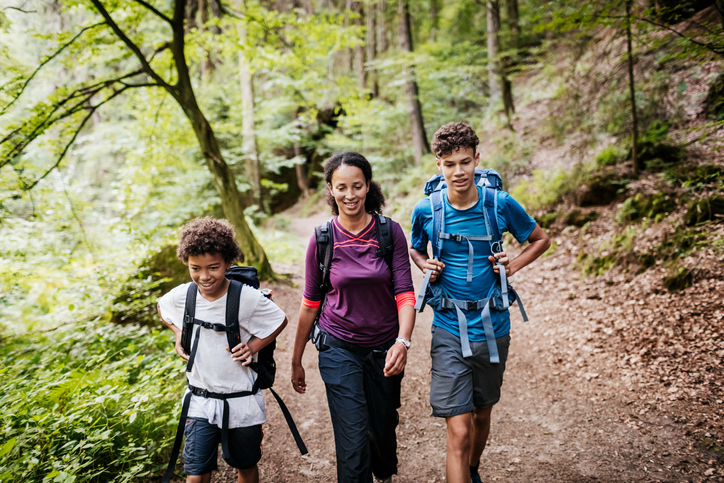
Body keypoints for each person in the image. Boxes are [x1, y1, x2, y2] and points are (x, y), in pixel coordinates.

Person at [409, 123, 551, 483]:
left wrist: (512, 264)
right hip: (448, 327)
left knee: (482, 416)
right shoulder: (427, 209)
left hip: (494, 325)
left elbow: (540, 239)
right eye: (450, 163)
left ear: (477, 159)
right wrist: (424, 263)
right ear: (438, 164)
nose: (459, 171)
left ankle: (472, 470)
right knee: (457, 431)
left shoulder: (499, 204)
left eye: (466, 162)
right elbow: (414, 246)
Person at [290, 152, 416, 483]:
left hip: (384, 350)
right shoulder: (322, 239)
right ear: (330, 190)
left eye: (357, 186)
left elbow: (404, 292)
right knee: (353, 441)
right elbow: (310, 303)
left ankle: (384, 472)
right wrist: (296, 359)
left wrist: (403, 340)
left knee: (382, 430)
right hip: (338, 348)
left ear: (368, 186)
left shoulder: (390, 233)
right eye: (341, 187)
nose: (350, 195)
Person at [157, 217, 288, 483]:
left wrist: (253, 347)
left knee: (246, 467)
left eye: (213, 267)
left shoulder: (246, 297)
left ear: (228, 263)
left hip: (242, 402)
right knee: (195, 475)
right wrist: (178, 333)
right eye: (196, 268)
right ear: (186, 263)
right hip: (200, 400)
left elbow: (279, 319)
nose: (204, 276)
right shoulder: (184, 295)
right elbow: (162, 307)